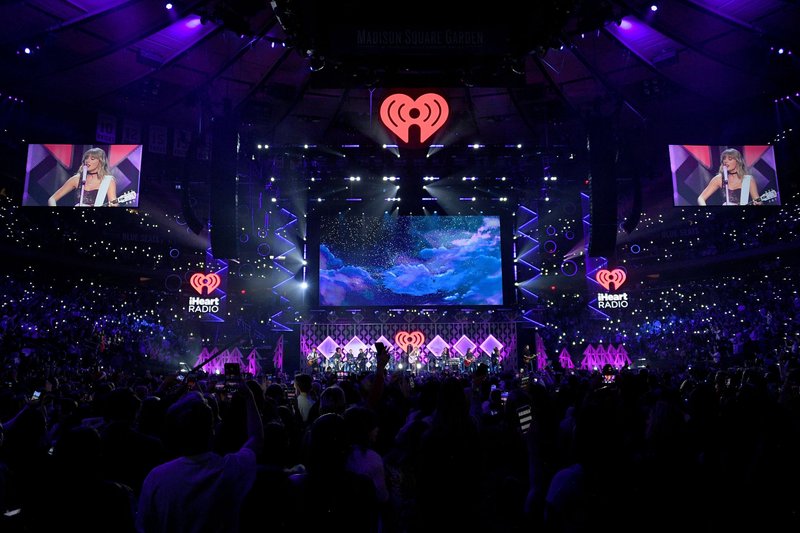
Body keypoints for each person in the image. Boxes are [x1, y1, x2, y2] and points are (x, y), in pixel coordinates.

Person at [48, 147, 119, 207]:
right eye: (86, 158)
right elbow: (52, 199)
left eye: (92, 159)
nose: (87, 161)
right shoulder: (77, 179)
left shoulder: (108, 181)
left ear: (100, 162)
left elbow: (113, 204)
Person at [697, 148, 761, 206]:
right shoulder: (719, 179)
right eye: (724, 159)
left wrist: (758, 204)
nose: (725, 161)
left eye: (730, 159)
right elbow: (701, 198)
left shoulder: (748, 180)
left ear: (738, 161)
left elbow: (757, 200)